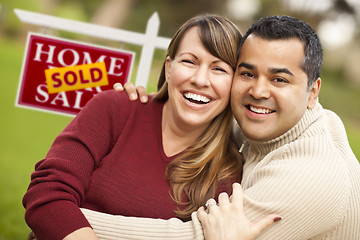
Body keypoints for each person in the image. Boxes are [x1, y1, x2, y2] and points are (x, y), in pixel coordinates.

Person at [85, 15, 360, 239]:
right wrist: (149, 104)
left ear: (313, 92)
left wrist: (63, 216)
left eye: (279, 80)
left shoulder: (312, 177)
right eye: (248, 74)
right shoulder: (266, 124)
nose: (258, 90)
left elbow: (194, 237)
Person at [23, 14, 280, 240]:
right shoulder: (115, 109)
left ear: (234, 84)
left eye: (219, 69)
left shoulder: (226, 173)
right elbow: (48, 193)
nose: (200, 80)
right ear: (169, 68)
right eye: (189, 62)